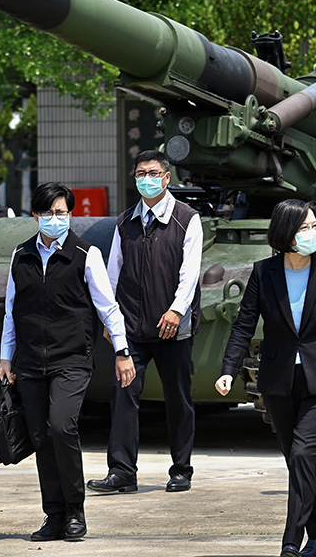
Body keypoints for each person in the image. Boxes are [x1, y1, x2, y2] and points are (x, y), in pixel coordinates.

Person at [217, 199, 316, 557]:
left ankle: (290, 542)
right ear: (285, 234)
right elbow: (243, 325)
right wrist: (227, 369)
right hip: (279, 378)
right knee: (296, 460)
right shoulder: (263, 272)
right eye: (304, 228)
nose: (313, 233)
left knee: (302, 454)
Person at [0, 182, 136, 542]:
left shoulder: (85, 254)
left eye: (61, 213)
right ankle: (54, 514)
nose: (55, 219)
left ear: (70, 215)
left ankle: (75, 510)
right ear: (35, 216)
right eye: (48, 213)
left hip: (71, 359)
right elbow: (12, 311)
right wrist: (5, 357)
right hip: (29, 362)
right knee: (41, 436)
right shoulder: (21, 255)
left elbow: (108, 307)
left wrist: (122, 352)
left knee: (62, 427)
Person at [89, 150, 202, 494]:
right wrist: (109, 319)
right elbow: (112, 273)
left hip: (172, 327)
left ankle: (181, 469)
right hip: (132, 329)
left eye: (154, 173)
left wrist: (177, 310)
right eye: (141, 173)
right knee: (123, 395)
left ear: (167, 178)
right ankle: (122, 470)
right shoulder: (124, 222)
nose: (147, 179)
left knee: (178, 399)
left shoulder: (187, 219)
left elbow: (190, 272)